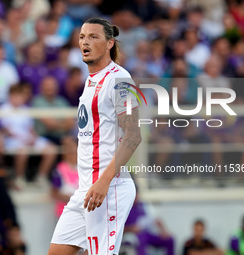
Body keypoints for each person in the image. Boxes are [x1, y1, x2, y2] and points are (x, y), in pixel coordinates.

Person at [48, 18, 141, 255]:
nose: (85, 42)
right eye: (81, 37)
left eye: (93, 37)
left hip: (109, 188)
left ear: (110, 43)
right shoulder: (90, 80)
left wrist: (105, 181)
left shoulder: (120, 80)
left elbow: (133, 135)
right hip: (85, 190)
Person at [0, 84, 57, 186]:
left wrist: (33, 138)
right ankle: (19, 178)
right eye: (17, 95)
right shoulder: (3, 109)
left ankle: (41, 177)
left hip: (28, 138)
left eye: (21, 96)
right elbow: (6, 130)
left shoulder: (25, 109)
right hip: (12, 140)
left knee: (51, 149)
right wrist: (23, 139)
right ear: (11, 96)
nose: (20, 98)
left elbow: (30, 128)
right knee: (23, 151)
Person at [123, 190, 174, 255]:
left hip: (148, 234)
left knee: (170, 239)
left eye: (137, 194)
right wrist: (131, 229)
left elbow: (156, 219)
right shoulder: (124, 208)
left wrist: (163, 230)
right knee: (141, 239)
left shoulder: (144, 205)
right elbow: (118, 228)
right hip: (132, 236)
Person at [50, 136, 79, 218]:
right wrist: (69, 198)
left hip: (81, 211)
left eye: (73, 150)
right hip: (64, 211)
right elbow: (54, 192)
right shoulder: (60, 169)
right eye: (68, 150)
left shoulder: (84, 168)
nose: (71, 153)